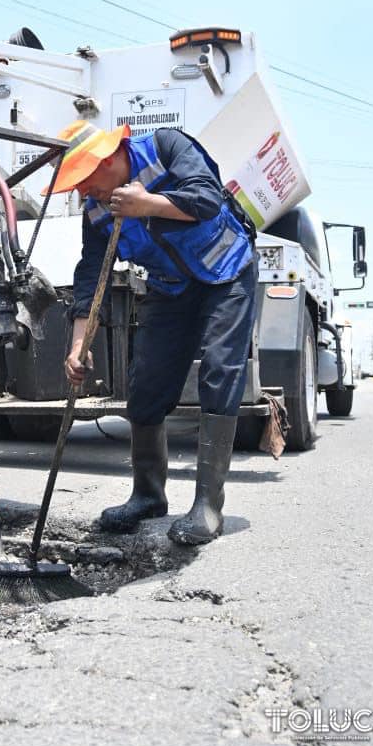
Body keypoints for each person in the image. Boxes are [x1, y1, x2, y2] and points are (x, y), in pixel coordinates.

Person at [56, 120, 257, 545]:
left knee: (219, 371)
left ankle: (207, 505)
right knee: (145, 383)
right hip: (172, 288)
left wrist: (148, 204)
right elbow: (92, 276)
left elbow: (205, 198)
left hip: (227, 272)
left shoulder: (166, 146)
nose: (80, 192)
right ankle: (148, 494)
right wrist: (78, 345)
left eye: (83, 179)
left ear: (109, 158)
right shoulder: (96, 212)